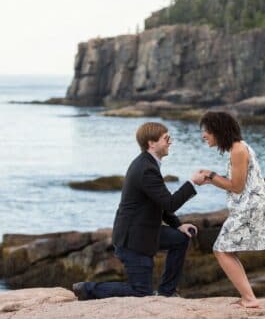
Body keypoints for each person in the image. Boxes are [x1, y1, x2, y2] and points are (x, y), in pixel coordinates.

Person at [71, 122, 206, 300]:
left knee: (180, 238)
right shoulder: (146, 169)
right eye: (166, 139)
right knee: (141, 292)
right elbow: (170, 203)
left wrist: (178, 225)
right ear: (152, 143)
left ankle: (167, 292)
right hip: (133, 241)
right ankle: (88, 288)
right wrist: (192, 183)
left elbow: (160, 203)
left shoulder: (149, 164)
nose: (170, 142)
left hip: (146, 232)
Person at [196, 111, 265, 308]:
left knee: (221, 249)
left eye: (207, 131)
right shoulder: (236, 148)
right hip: (249, 205)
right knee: (226, 249)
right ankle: (248, 297)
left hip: (251, 207)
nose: (203, 135)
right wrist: (211, 180)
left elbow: (237, 186)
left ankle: (249, 299)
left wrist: (211, 174)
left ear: (218, 130)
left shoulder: (238, 150)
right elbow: (235, 183)